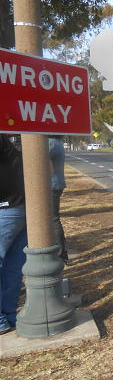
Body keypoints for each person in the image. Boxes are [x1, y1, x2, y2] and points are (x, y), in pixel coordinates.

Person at [0, 134, 27, 334]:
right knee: (13, 267)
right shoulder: (11, 146)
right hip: (20, 209)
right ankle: (9, 315)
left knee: (11, 266)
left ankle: (3, 319)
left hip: (4, 210)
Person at [49, 136, 68, 264]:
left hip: (51, 185)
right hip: (57, 184)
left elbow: (47, 167)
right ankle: (61, 253)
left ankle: (61, 255)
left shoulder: (48, 142)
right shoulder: (57, 142)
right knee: (54, 219)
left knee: (54, 219)